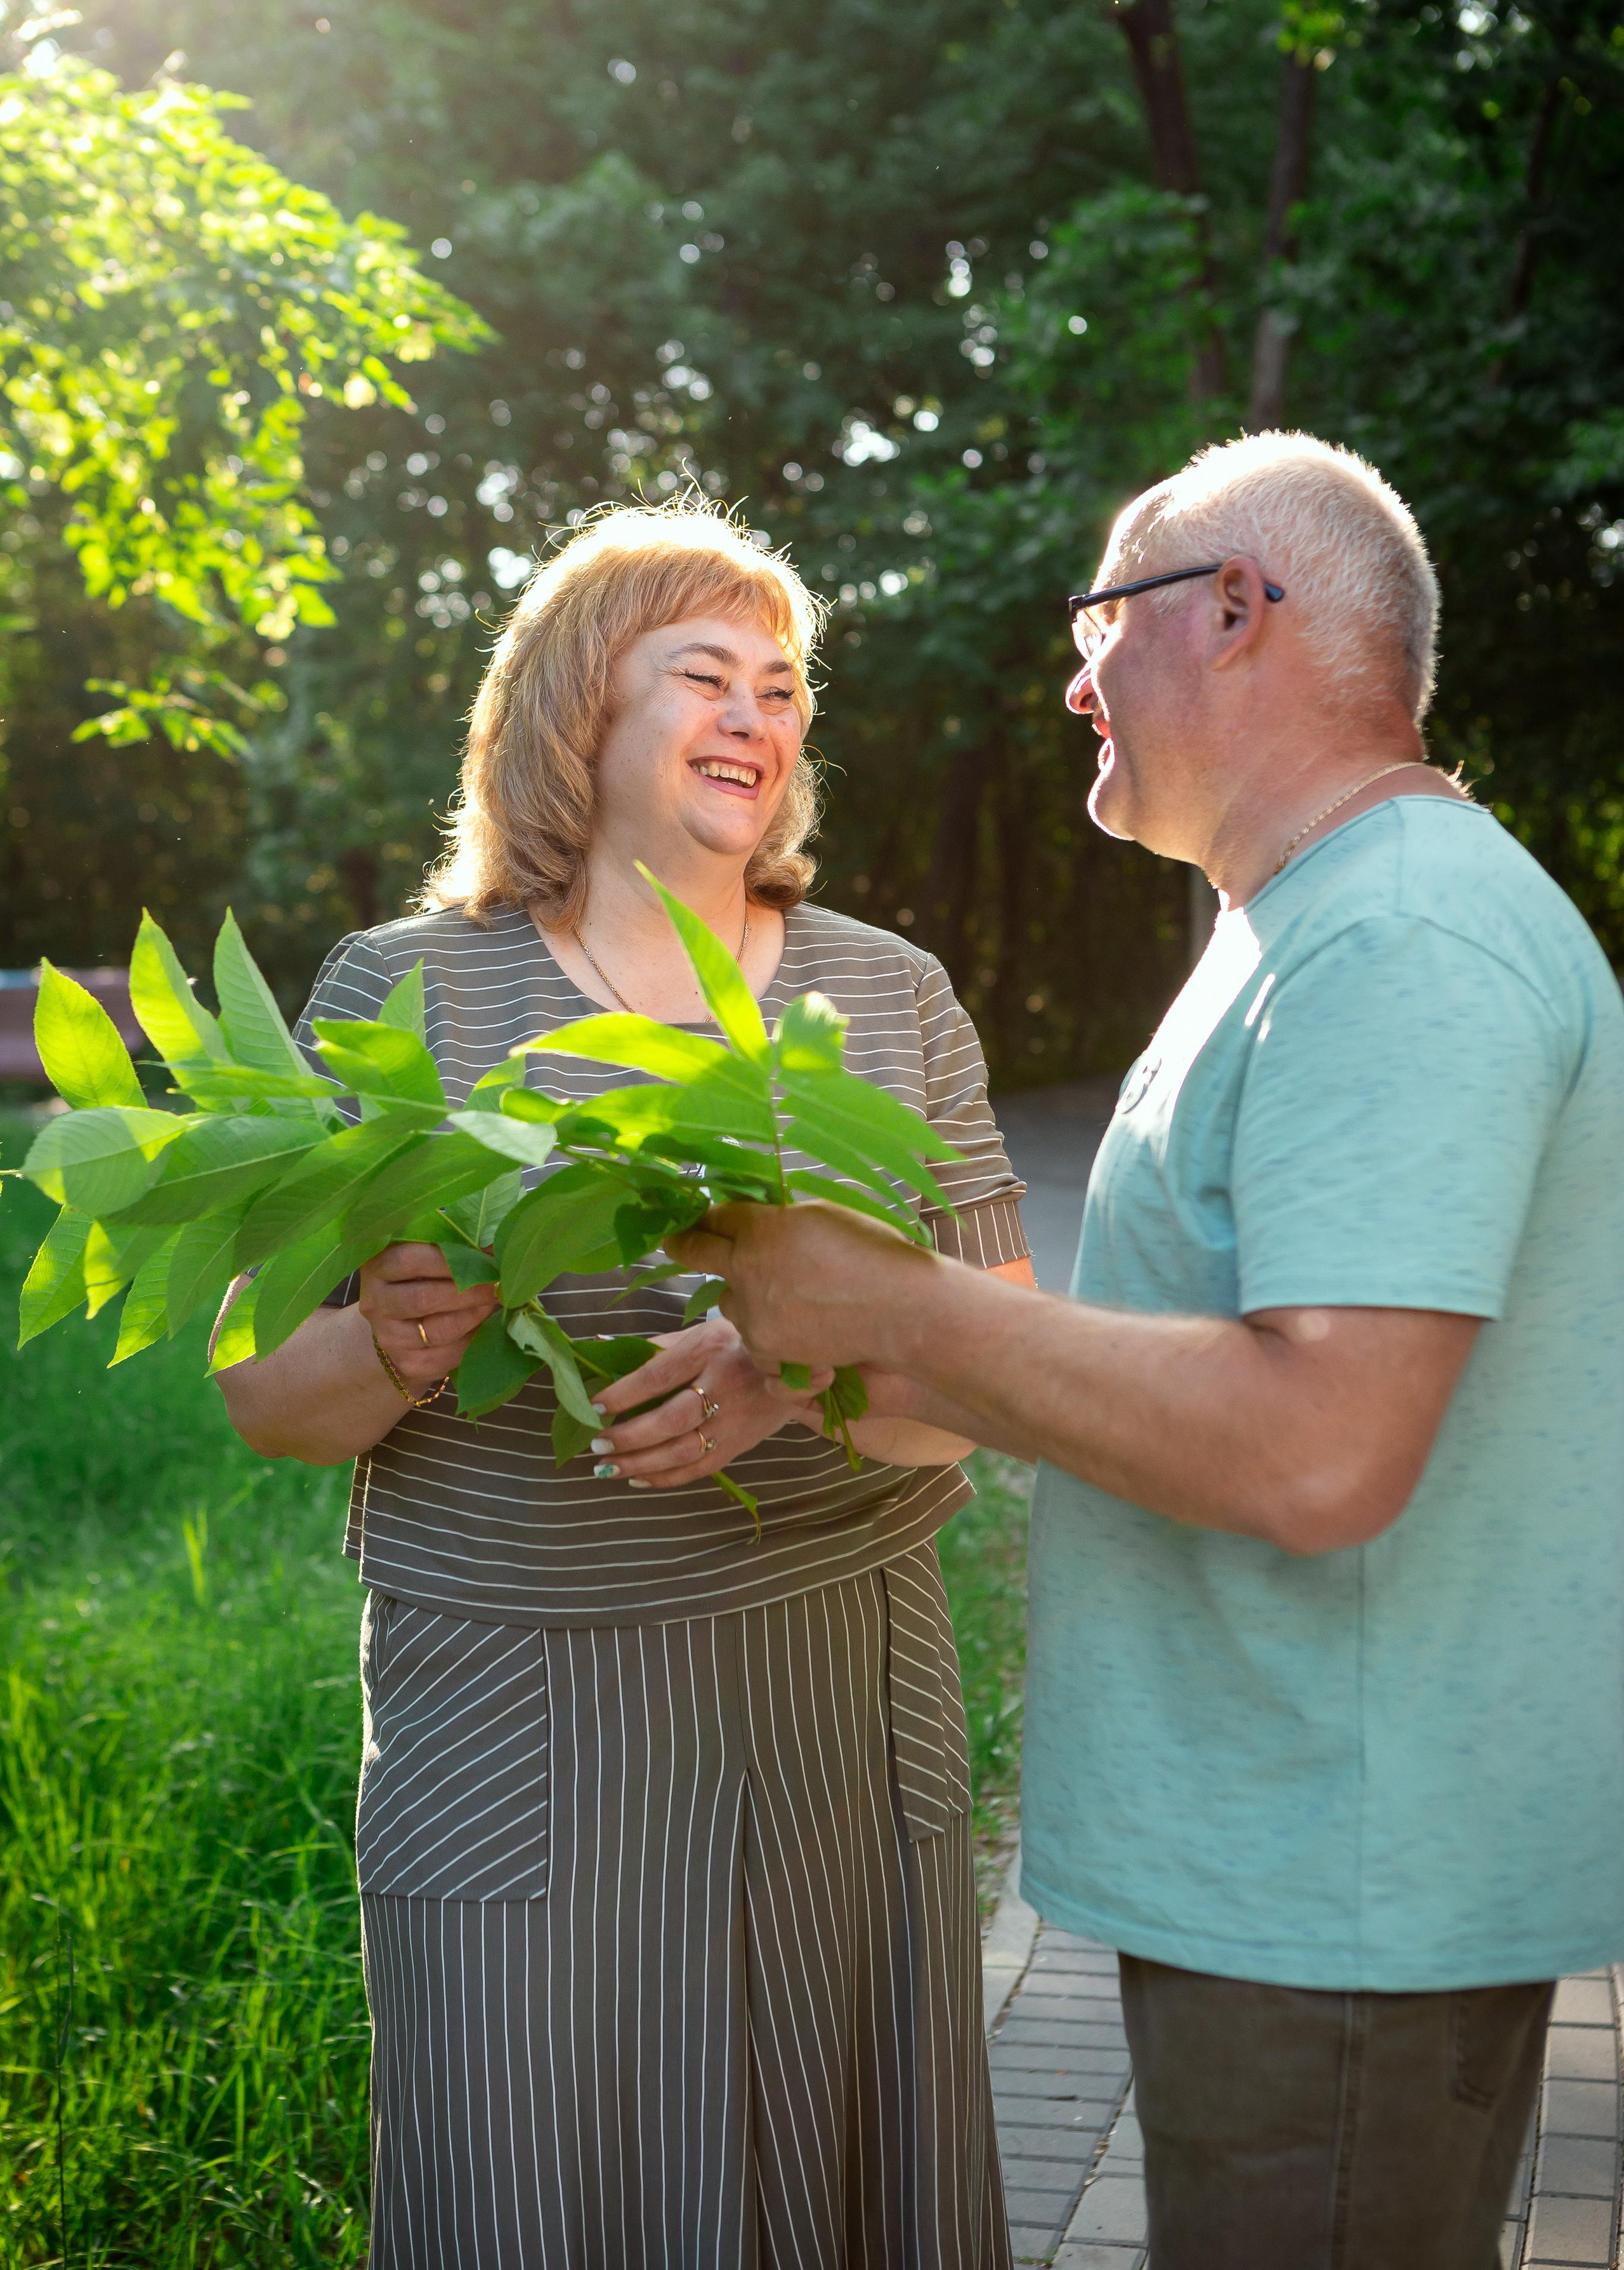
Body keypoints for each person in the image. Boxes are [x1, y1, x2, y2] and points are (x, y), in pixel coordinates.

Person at [674, 434, 1624, 2270]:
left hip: (1334, 1906)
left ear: (1238, 611)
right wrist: (876, 1370)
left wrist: (901, 1308)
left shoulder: (1398, 941)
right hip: (1301, 1881)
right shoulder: (1308, 927)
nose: (1073, 677)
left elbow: (1318, 1451)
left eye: (1098, 620)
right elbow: (1206, 1376)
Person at [214, 497, 1031, 2270]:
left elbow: (987, 1373)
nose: (758, 717)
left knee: (839, 2175)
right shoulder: (405, 993)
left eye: (784, 686)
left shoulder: (885, 998)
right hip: (510, 1716)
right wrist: (387, 1341)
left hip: (830, 1686)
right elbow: (265, 1396)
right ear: (580, 707)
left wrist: (801, 1381)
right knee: (530, 2184)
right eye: (706, 677)